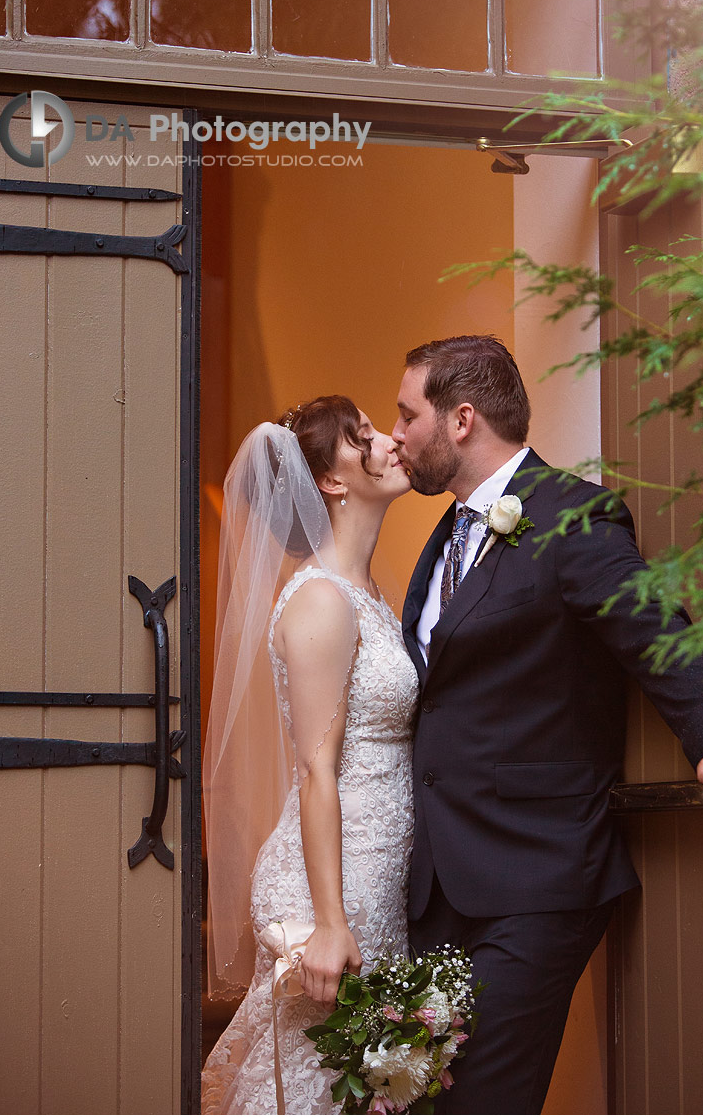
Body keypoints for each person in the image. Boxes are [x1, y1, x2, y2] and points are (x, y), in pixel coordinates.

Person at [392, 335, 703, 1116]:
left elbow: (654, 629)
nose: (397, 434)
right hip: (438, 884)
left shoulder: (574, 513)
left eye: (407, 415)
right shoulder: (443, 538)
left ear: (461, 419)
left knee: (484, 1106)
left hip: (536, 877)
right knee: (422, 1104)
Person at [202, 397, 418, 1115]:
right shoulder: (323, 599)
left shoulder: (370, 593)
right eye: (364, 438)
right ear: (330, 481)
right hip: (331, 882)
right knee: (313, 1086)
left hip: (373, 870)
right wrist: (329, 922)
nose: (389, 443)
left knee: (358, 1089)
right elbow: (316, 769)